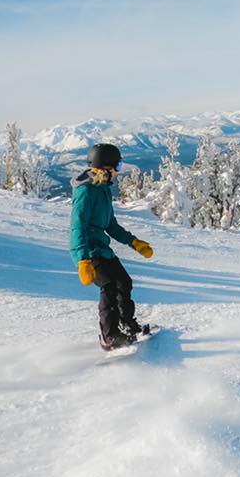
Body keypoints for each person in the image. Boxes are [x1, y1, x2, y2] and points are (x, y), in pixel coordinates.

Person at [70, 143, 154, 350]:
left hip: (102, 249)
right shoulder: (86, 193)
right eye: (117, 166)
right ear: (105, 168)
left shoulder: (103, 190)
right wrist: (82, 260)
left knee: (124, 282)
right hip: (89, 252)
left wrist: (134, 242)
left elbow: (110, 225)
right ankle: (109, 336)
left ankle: (126, 323)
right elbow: (77, 228)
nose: (119, 171)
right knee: (108, 286)